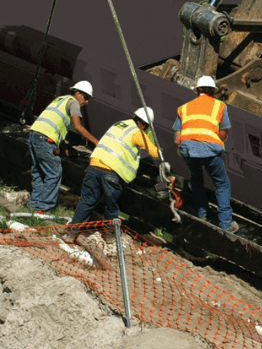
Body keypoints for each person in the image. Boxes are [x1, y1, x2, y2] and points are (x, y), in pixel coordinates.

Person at [65, 107, 161, 241]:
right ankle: (109, 236)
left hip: (94, 165)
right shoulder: (138, 133)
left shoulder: (120, 124)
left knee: (86, 201)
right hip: (111, 171)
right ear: (144, 124)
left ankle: (71, 233)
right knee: (111, 206)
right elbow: (156, 153)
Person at [174, 76, 237, 233]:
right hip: (209, 150)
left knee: (196, 179)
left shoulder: (184, 108)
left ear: (197, 91)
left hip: (187, 150)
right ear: (214, 92)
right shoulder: (220, 106)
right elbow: (223, 134)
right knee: (222, 183)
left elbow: (177, 139)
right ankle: (225, 224)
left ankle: (202, 214)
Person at [28, 81, 100, 214]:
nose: (87, 102)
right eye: (86, 97)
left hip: (35, 134)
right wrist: (95, 141)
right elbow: (78, 126)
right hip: (45, 138)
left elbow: (56, 126)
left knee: (39, 172)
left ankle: (33, 206)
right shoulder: (73, 102)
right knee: (54, 173)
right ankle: (44, 209)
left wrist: (65, 149)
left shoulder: (61, 100)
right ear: (78, 93)